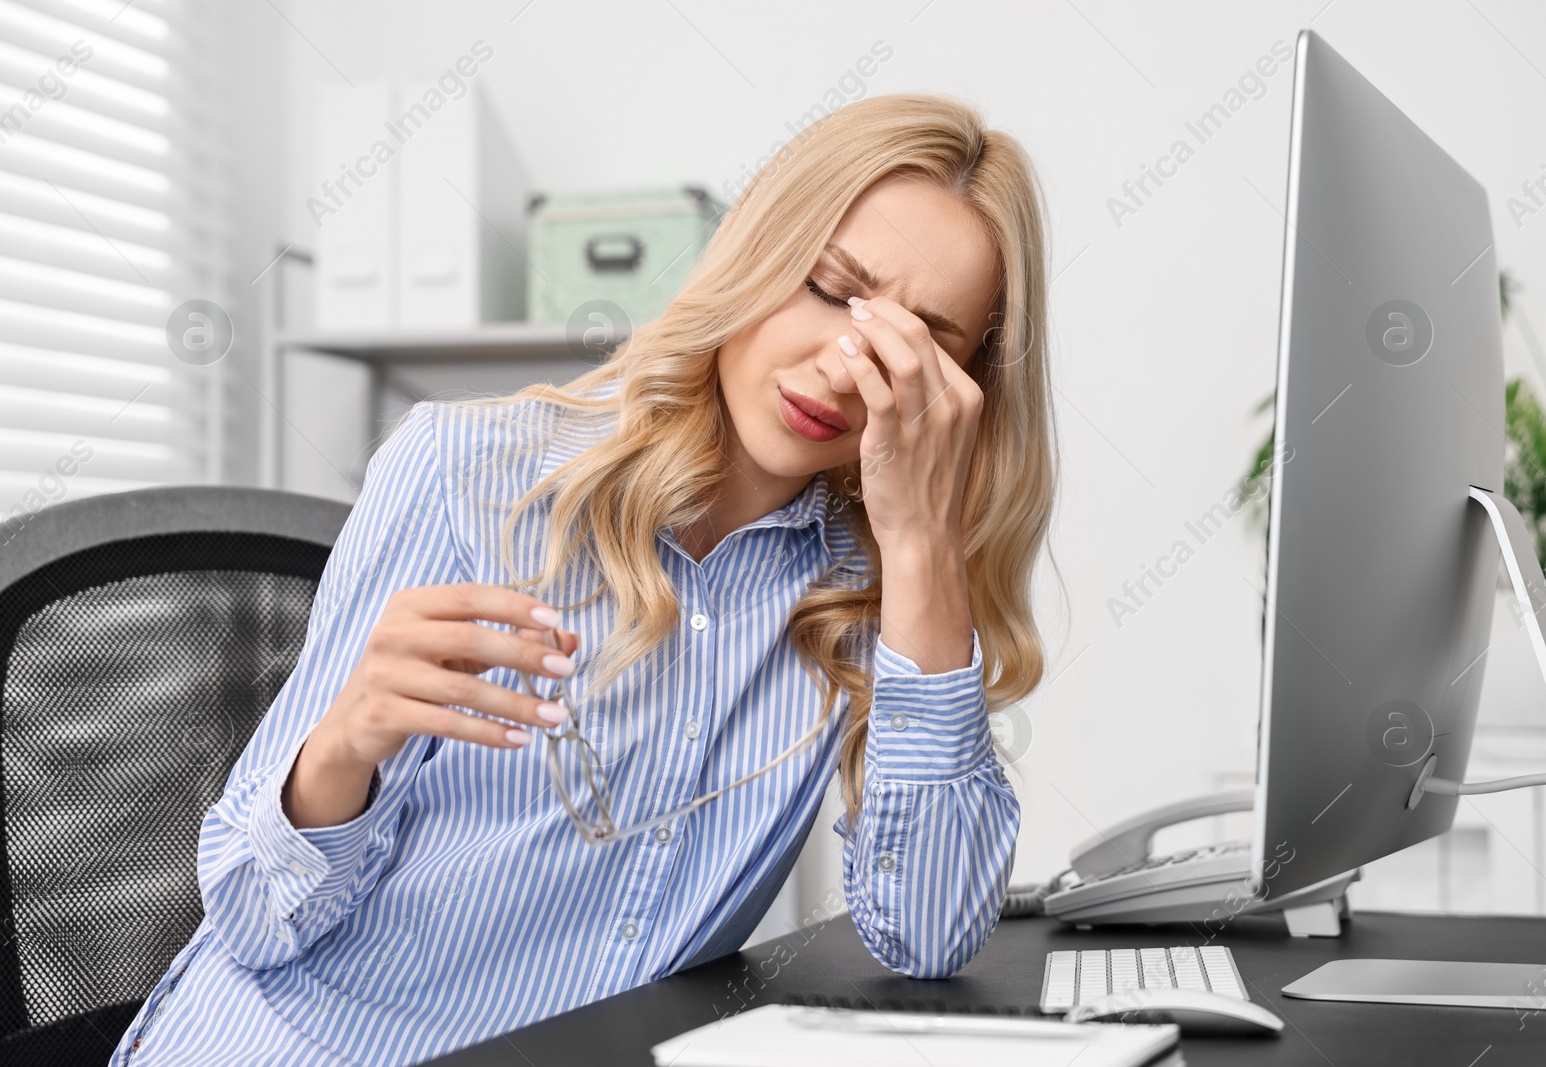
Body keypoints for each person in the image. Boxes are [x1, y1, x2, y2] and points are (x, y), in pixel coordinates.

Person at [111, 90, 1057, 1066]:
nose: (846, 365)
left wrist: (921, 547)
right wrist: (341, 748)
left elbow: (931, 937)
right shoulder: (466, 472)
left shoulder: (873, 587)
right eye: (827, 285)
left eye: (920, 345)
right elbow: (252, 914)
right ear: (756, 255)